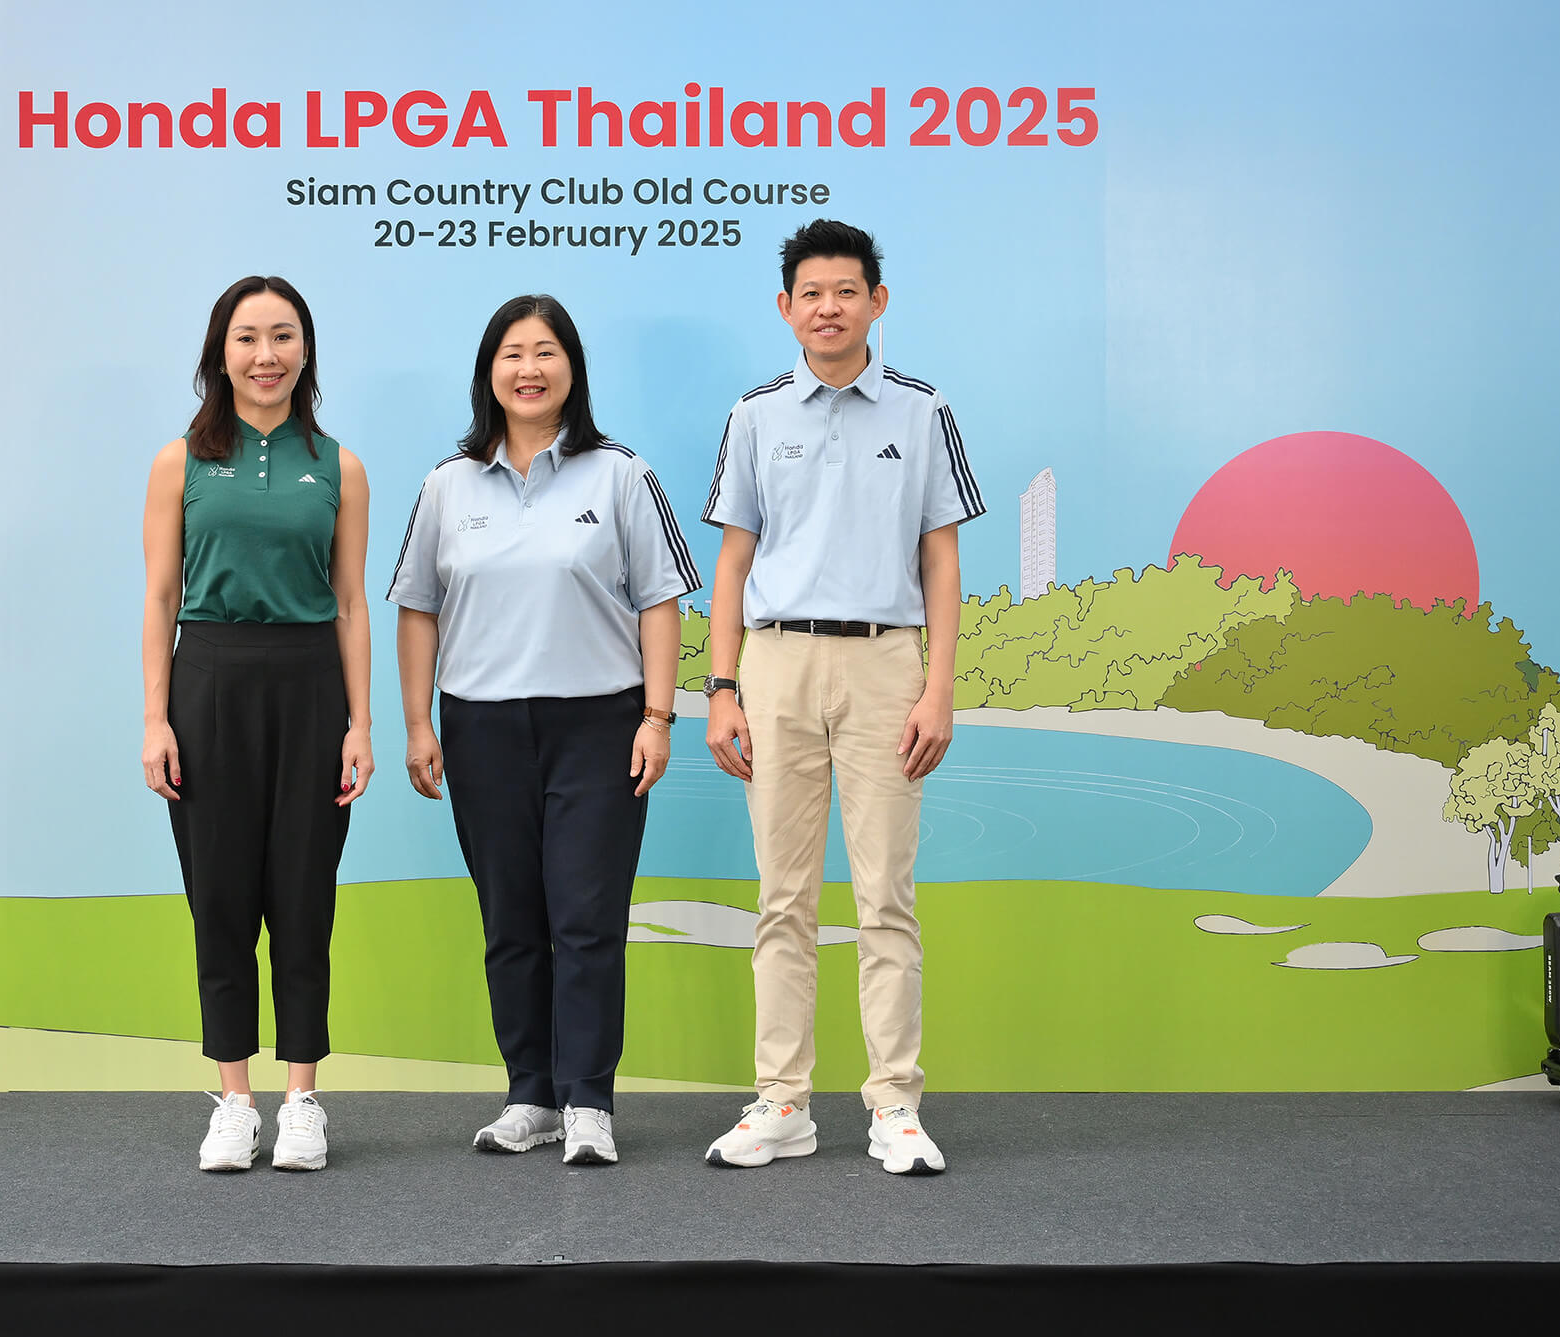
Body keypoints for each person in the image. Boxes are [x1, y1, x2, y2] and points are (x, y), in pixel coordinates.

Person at [698, 220, 985, 1176]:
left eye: (846, 291)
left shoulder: (922, 410)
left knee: (884, 898)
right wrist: (722, 687)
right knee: (781, 899)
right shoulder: (754, 415)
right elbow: (732, 559)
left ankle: (895, 1104)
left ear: (876, 302)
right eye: (811, 294)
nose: (828, 308)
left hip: (884, 664)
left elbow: (941, 558)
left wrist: (937, 686)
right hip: (775, 664)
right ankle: (781, 1101)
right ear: (786, 308)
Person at [388, 294, 699, 1165]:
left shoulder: (620, 475)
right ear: (488, 371)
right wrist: (417, 724)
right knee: (512, 922)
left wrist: (657, 717)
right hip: (481, 726)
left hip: (599, 724)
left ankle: (588, 1101)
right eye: (512, 354)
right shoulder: (448, 484)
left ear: (572, 368)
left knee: (587, 918)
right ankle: (528, 1094)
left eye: (545, 352)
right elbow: (416, 608)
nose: (529, 369)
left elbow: (660, 601)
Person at [141, 275, 373, 1173]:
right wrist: (156, 719)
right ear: (221, 352)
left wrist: (359, 725)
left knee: (304, 899)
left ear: (304, 351)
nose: (265, 355)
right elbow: (162, 597)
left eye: (282, 336)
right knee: (221, 900)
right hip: (207, 683)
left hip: (310, 686)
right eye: (247, 338)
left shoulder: (339, 466)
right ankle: (234, 1102)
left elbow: (349, 603)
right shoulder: (179, 462)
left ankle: (302, 1099)